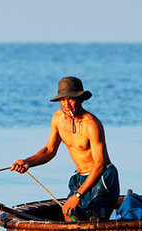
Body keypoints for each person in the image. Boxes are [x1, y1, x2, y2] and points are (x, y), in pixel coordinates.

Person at [10, 76, 120, 221]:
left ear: (81, 99)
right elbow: (49, 150)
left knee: (95, 224)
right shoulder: (57, 118)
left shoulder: (91, 124)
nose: (66, 104)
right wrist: (28, 162)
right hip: (79, 178)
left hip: (102, 177)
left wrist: (78, 195)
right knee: (69, 214)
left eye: (71, 99)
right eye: (63, 100)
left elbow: (100, 165)